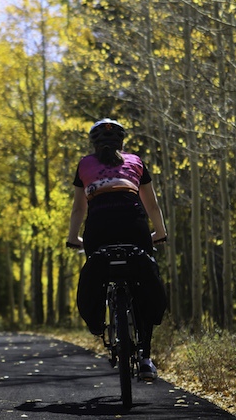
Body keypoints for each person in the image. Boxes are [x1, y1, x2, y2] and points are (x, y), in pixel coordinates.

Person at [66, 118, 168, 381]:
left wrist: (73, 237)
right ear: (122, 142)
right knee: (142, 284)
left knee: (98, 274)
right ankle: (145, 358)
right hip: (134, 227)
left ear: (93, 144)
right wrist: (160, 232)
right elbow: (152, 206)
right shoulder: (136, 162)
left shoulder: (84, 165)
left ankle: (99, 320)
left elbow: (79, 209)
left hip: (98, 231)